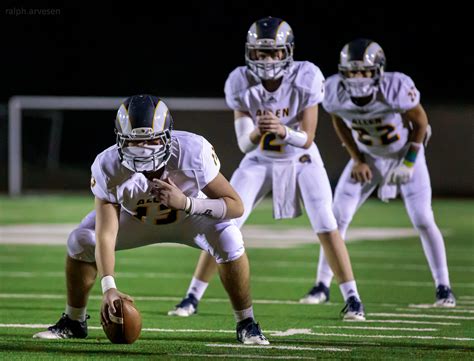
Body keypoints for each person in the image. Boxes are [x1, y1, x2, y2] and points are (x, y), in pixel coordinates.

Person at [168, 16, 365, 320]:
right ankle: (192, 296)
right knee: (222, 224)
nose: (268, 58)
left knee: (327, 223)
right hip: (259, 159)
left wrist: (284, 130)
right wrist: (260, 132)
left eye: (274, 52)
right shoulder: (240, 81)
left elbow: (308, 138)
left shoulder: (306, 75)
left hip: (301, 159)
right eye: (261, 52)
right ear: (251, 53)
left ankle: (353, 298)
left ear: (287, 52)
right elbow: (245, 144)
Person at [33, 95, 269, 345]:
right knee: (80, 240)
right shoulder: (108, 165)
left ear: (168, 135)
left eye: (151, 139)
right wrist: (108, 286)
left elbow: (235, 206)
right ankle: (74, 321)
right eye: (135, 141)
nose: (143, 148)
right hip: (136, 219)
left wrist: (187, 203)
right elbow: (106, 232)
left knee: (230, 238)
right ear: (120, 139)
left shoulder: (193, 151)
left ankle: (247, 323)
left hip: (189, 217)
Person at [308, 38, 456, 307]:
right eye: (352, 71)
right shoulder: (334, 92)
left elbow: (421, 123)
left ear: (377, 70)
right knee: (336, 218)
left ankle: (444, 287)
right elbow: (338, 120)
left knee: (422, 217)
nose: (357, 77)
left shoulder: (395, 87)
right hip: (369, 157)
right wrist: (357, 159)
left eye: (363, 70)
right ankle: (321, 285)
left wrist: (409, 162)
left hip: (403, 152)